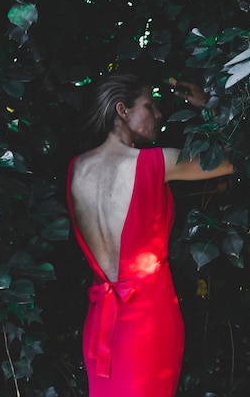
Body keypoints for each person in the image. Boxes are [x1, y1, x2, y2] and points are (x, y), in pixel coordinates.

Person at [66, 73, 233, 397]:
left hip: (101, 324)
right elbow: (232, 159)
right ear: (122, 111)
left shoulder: (77, 168)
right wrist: (208, 105)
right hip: (148, 318)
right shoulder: (157, 162)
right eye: (149, 105)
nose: (159, 115)